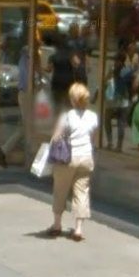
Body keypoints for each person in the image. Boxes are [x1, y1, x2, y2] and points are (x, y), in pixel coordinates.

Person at [45, 83, 99, 241]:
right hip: (86, 158)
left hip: (67, 159)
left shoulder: (67, 116)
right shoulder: (93, 117)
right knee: (82, 192)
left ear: (72, 99)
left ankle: (57, 225)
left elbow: (55, 138)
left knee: (60, 191)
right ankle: (78, 229)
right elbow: (93, 139)